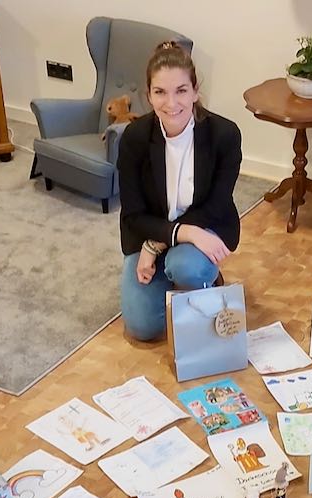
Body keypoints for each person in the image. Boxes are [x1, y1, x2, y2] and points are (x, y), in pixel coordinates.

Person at [118, 40, 242, 341]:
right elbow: (133, 215)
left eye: (181, 91)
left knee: (185, 265)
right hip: (152, 231)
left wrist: (156, 246)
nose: (171, 103)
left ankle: (200, 277)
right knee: (142, 329)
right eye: (160, 92)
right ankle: (175, 278)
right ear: (148, 95)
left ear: (196, 91)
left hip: (206, 225)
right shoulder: (134, 138)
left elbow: (217, 204)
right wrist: (173, 236)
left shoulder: (224, 135)